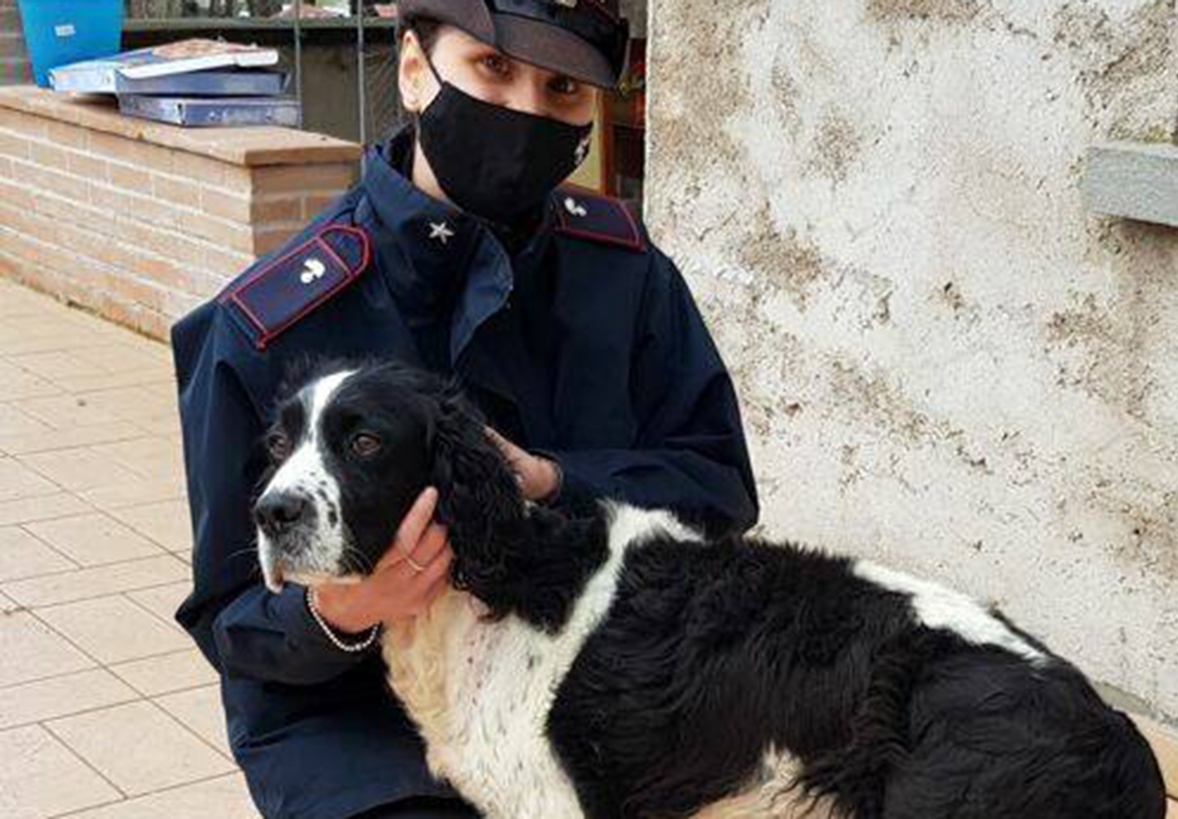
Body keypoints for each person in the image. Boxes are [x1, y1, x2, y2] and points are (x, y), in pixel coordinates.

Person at [170, 1, 759, 817]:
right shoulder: (270, 326)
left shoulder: (625, 275)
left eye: (561, 88)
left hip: (601, 687)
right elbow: (228, 615)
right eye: (493, 68)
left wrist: (558, 481)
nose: (525, 110)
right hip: (367, 734)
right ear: (415, 69)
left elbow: (719, 488)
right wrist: (340, 610)